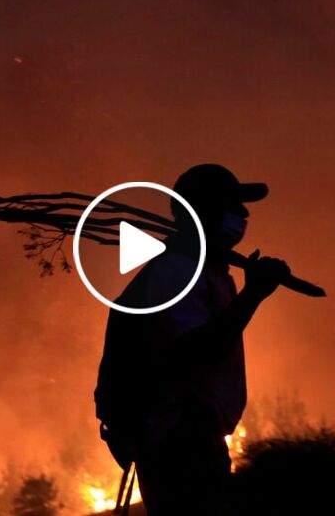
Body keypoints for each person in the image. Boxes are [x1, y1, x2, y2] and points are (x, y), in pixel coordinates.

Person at [95, 164, 290, 515]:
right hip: (179, 438)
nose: (243, 214)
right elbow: (193, 352)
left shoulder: (204, 269)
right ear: (205, 210)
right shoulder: (179, 269)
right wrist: (253, 295)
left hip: (189, 436)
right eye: (233, 204)